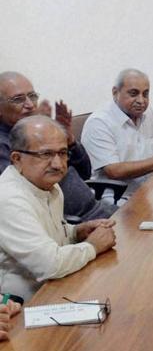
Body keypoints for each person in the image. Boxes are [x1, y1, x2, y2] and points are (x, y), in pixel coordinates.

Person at [0, 116, 116, 302]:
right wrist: (93, 246)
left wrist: (76, 232)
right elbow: (49, 264)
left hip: (58, 286)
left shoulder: (48, 185)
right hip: (21, 305)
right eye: (45, 154)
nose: (58, 164)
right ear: (17, 159)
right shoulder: (9, 199)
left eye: (62, 153)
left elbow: (47, 234)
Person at [0, 72, 116, 221]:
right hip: (77, 222)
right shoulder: (4, 144)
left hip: (96, 207)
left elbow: (85, 172)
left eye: (33, 96)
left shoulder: (46, 132)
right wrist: (37, 133)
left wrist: (69, 140)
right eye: (18, 99)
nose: (29, 105)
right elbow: (22, 192)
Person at [81, 68, 153, 205]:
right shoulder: (99, 123)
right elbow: (114, 171)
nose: (141, 100)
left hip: (150, 190)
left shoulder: (150, 114)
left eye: (145, 94)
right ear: (115, 93)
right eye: (134, 93)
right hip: (117, 198)